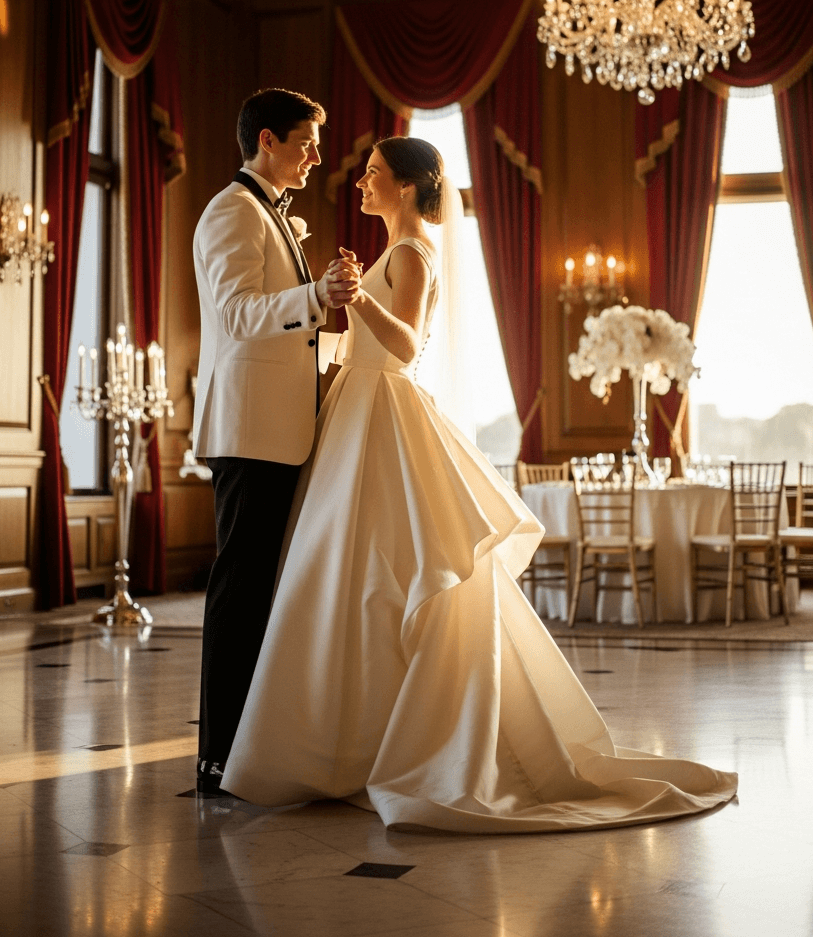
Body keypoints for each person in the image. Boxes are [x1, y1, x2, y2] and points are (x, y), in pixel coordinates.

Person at [221, 136, 737, 830]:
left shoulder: (411, 253)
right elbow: (372, 342)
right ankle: (350, 740)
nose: (362, 184)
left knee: (378, 573)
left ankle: (369, 745)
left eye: (373, 174)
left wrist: (354, 299)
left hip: (382, 409)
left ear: (407, 186)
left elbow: (405, 346)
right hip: (358, 408)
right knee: (354, 574)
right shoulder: (395, 252)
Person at [192, 87, 360, 795]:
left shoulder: (270, 212)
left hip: (278, 429)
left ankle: (251, 747)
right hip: (251, 431)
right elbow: (236, 315)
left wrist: (331, 316)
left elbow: (282, 326)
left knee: (262, 588)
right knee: (240, 589)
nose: (317, 157)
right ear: (267, 140)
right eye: (307, 143)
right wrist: (316, 297)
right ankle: (217, 756)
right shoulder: (233, 210)